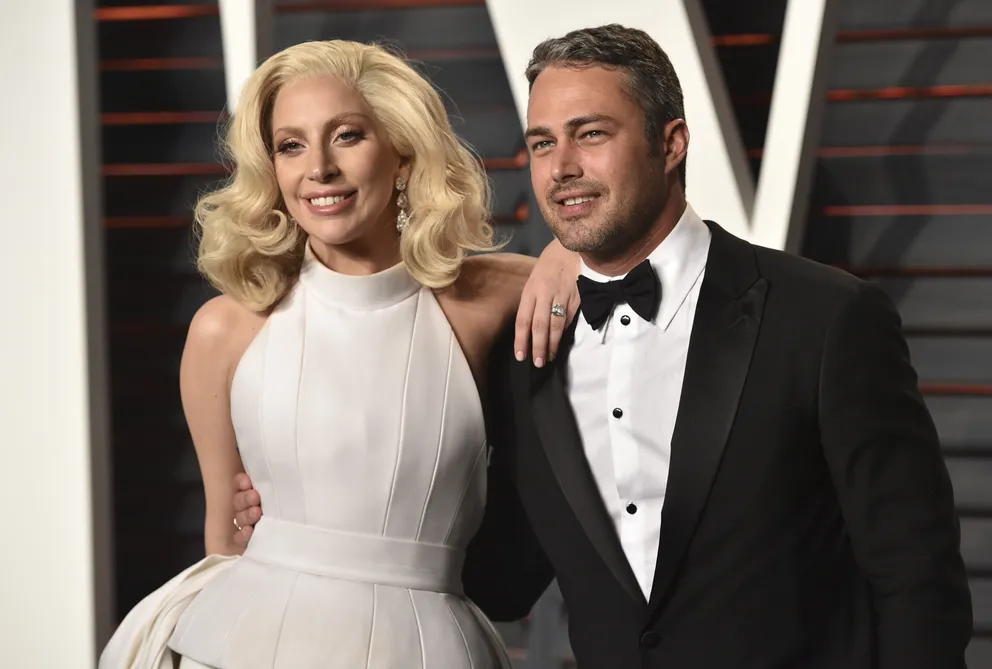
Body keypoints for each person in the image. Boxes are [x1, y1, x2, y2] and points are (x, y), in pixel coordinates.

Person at [230, 22, 975, 669]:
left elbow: (918, 578)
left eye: (591, 134)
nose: (562, 168)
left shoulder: (825, 317)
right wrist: (330, 509)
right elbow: (503, 575)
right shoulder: (525, 343)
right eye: (542, 143)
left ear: (672, 142)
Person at [99, 39, 582, 669]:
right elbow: (227, 540)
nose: (318, 168)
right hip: (243, 644)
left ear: (402, 153)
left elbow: (622, 256)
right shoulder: (224, 331)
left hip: (430, 643)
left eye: (347, 135)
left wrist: (566, 252)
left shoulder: (485, 301)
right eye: (290, 145)